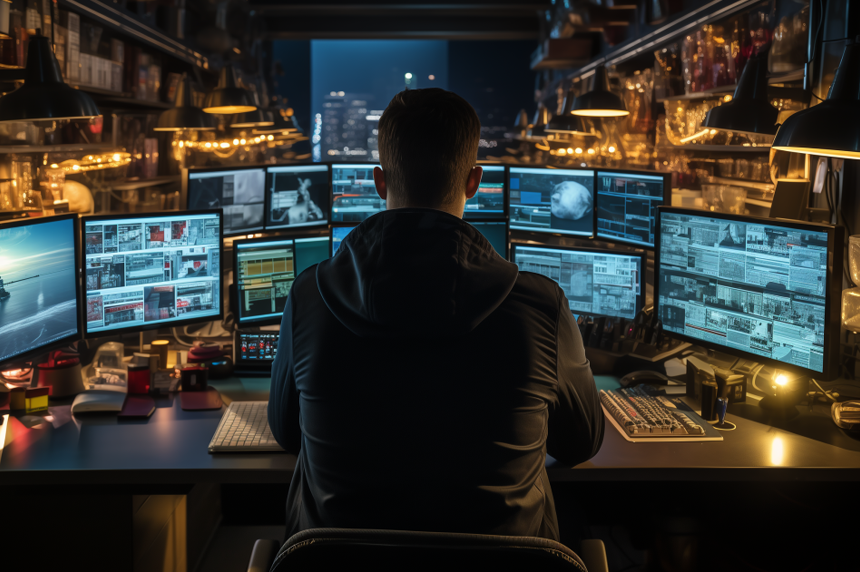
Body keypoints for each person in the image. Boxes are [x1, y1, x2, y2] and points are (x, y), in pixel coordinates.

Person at [268, 88, 604, 542]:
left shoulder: (309, 295)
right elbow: (580, 443)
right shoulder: (541, 305)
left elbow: (287, 433)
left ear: (379, 182)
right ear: (474, 182)